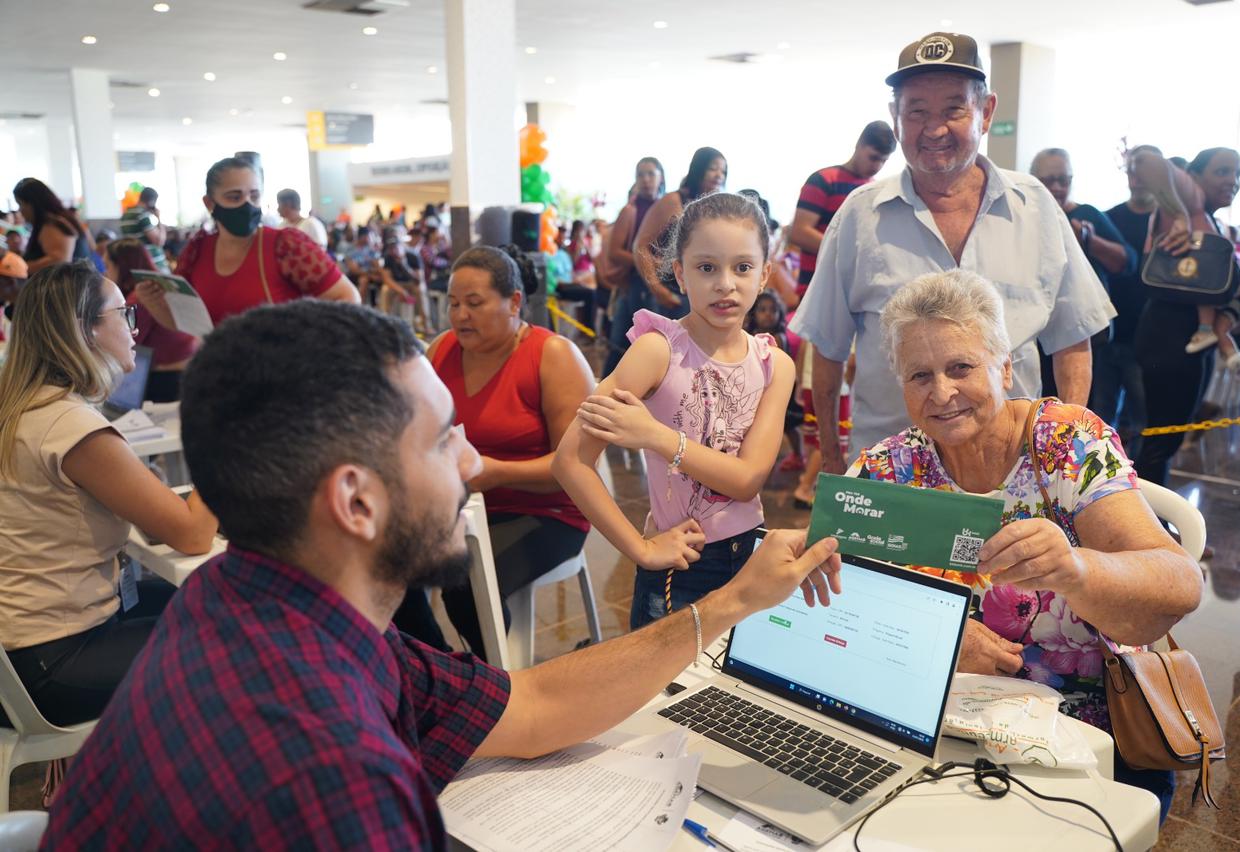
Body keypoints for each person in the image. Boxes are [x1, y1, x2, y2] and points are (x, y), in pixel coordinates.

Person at [40, 299, 842, 848]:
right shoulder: (333, 777)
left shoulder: (246, 598)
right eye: (441, 440)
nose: (471, 462)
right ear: (355, 501)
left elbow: (528, 706)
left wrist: (735, 600)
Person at [851, 269, 1202, 822]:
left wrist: (1075, 569)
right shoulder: (890, 467)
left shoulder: (1066, 443)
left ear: (1005, 366)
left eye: (961, 367)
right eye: (919, 375)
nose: (941, 393)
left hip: (1086, 737)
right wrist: (935, 637)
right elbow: (842, 596)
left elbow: (1181, 585)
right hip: (938, 729)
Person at [790, 31, 1112, 472]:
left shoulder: (1034, 207)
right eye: (916, 111)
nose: (935, 128)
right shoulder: (859, 217)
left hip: (1015, 471)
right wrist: (829, 463)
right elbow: (826, 349)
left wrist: (1061, 454)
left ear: (986, 112)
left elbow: (1073, 338)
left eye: (953, 109)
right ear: (895, 117)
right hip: (890, 473)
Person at [555, 192, 796, 628]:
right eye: (707, 268)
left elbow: (747, 480)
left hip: (751, 559)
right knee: (667, 695)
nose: (725, 284)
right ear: (681, 275)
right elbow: (571, 459)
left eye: (742, 267)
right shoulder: (657, 351)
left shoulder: (775, 365)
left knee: (735, 695)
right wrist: (640, 549)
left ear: (765, 275)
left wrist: (656, 436)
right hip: (680, 567)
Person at [0, 261, 217, 730]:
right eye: (124, 313)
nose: (134, 327)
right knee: (233, 640)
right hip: (52, 662)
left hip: (25, 649)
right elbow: (193, 535)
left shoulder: (27, 406)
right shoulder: (69, 424)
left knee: (211, 596)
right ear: (84, 330)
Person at [427, 245, 596, 660]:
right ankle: (433, 669)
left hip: (549, 514)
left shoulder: (552, 355)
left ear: (514, 302)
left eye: (474, 303)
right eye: (452, 304)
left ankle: (498, 684)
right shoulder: (441, 351)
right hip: (468, 506)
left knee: (462, 581)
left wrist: (497, 472)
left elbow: (578, 466)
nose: (460, 315)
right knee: (384, 563)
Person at [1130, 147, 1240, 485]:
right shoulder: (1188, 204)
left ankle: (1152, 525)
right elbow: (1143, 158)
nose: (1232, 181)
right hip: (1170, 337)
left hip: (1192, 342)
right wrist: (1177, 213)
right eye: (1222, 171)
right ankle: (1148, 529)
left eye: (1237, 174)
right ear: (1195, 176)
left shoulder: (1213, 222)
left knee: (1168, 439)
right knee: (1161, 440)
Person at [137, 157, 359, 330]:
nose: (247, 205)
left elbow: (348, 297)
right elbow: (189, 324)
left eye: (254, 196)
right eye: (234, 197)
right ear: (209, 203)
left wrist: (304, 344)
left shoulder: (286, 246)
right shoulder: (198, 250)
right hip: (220, 376)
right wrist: (156, 305)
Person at [1029, 148, 1137, 415]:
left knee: (1085, 412)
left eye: (1063, 180)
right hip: (1034, 333)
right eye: (1049, 180)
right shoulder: (1024, 218)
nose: (1056, 188)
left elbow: (1128, 262)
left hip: (1084, 334)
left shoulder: (1086, 214)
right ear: (1033, 180)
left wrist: (1090, 241)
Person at [790, 120, 897, 302]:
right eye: (873, 157)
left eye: (883, 161)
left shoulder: (875, 190)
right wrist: (849, 252)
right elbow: (799, 233)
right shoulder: (823, 180)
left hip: (853, 290)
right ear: (859, 145)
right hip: (815, 287)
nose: (877, 166)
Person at [1101, 145, 1162, 448]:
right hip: (1109, 336)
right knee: (1098, 422)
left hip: (1149, 340)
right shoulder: (1108, 218)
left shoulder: (1171, 223)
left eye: (1145, 168)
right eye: (1132, 168)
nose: (1137, 176)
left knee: (1144, 426)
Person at [632, 148, 727, 322]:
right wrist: (657, 289)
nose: (718, 175)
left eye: (723, 171)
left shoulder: (716, 210)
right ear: (699, 169)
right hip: (669, 295)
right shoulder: (673, 201)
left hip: (700, 298)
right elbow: (640, 246)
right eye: (713, 168)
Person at [103, 239, 200, 402]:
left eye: (107, 267)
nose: (104, 274)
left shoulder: (141, 298)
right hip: (186, 368)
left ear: (121, 267)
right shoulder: (155, 287)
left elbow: (121, 347)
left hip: (168, 377)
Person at [603, 157, 666, 376]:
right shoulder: (630, 211)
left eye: (650, 173)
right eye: (641, 174)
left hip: (657, 285)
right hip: (633, 286)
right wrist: (647, 262)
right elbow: (614, 252)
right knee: (621, 346)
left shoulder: (665, 208)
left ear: (661, 177)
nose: (646, 179)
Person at [11, 178, 96, 276]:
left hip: (67, 288)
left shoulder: (52, 225)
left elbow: (59, 262)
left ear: (32, 204)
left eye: (20, 204)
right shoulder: (70, 218)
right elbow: (92, 247)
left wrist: (19, 267)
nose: (20, 211)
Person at [379, 227, 427, 328]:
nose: (393, 251)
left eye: (395, 248)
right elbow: (387, 279)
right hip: (397, 285)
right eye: (391, 248)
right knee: (385, 290)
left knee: (421, 290)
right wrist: (402, 291)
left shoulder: (413, 256)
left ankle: (426, 324)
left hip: (412, 283)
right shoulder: (388, 257)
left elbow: (419, 280)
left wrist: (405, 265)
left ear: (402, 246)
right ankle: (384, 323)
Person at [119, 187, 169, 273]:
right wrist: (159, 219)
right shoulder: (142, 215)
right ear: (152, 202)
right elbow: (159, 241)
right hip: (153, 264)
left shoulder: (125, 215)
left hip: (137, 263)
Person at [344, 225, 383, 304]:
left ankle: (378, 304)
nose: (371, 239)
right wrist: (370, 274)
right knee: (364, 280)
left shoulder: (371, 249)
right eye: (369, 236)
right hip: (355, 276)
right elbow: (354, 270)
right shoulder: (351, 250)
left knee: (384, 277)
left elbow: (378, 266)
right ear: (362, 237)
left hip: (370, 274)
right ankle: (359, 306)